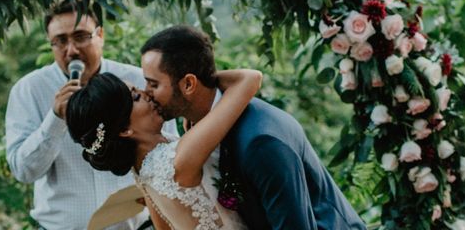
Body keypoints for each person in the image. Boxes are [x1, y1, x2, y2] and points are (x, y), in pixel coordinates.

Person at [139, 25, 367, 230]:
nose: (146, 92)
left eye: (153, 84)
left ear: (188, 84)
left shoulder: (261, 142)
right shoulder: (195, 124)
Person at [6, 0, 151, 230]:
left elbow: (163, 148)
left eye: (81, 36)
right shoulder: (29, 90)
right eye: (60, 41)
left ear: (100, 34)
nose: (71, 50)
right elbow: (24, 171)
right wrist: (55, 119)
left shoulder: (136, 81)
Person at [66, 68, 260, 229]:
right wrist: (192, 82)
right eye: (135, 97)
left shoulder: (143, 168)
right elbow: (250, 79)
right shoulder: (176, 161)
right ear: (125, 130)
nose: (146, 94)